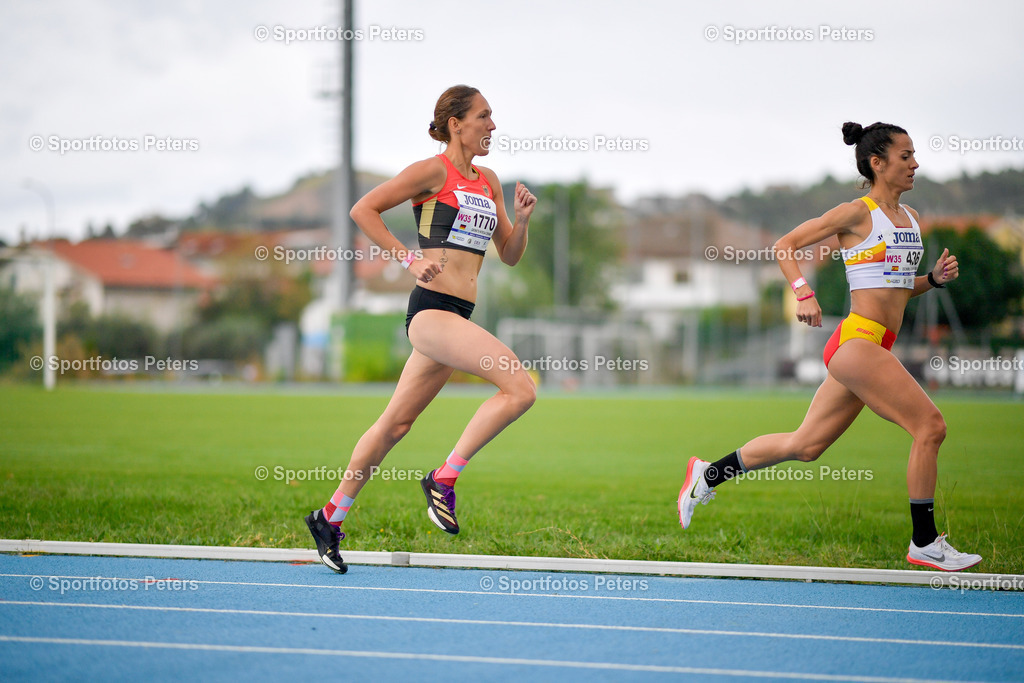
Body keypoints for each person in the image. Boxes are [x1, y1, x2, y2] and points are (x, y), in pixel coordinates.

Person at [678, 121, 981, 572]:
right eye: (905, 156)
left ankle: (708, 474)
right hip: (857, 343)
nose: (915, 163)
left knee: (806, 445)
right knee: (930, 427)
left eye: (915, 154)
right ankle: (924, 542)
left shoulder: (912, 219)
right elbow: (786, 245)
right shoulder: (856, 213)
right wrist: (803, 291)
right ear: (877, 163)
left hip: (875, 345)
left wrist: (932, 281)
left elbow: (896, 288)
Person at [306, 85, 538, 573]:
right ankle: (444, 479)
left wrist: (521, 222)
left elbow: (510, 256)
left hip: (458, 316)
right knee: (519, 388)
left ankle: (329, 516)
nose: (493, 126)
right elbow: (362, 210)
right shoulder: (433, 171)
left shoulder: (489, 181)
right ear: (456, 123)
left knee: (395, 425)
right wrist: (407, 259)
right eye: (484, 116)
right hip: (432, 313)